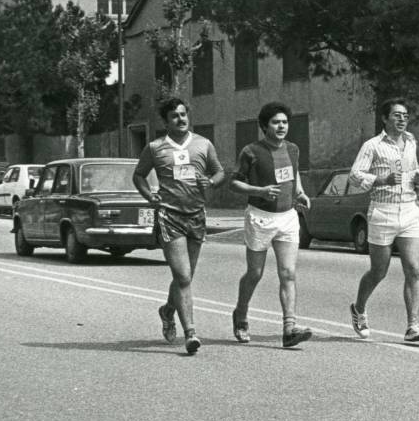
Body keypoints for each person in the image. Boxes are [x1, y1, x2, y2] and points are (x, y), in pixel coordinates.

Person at [133, 97, 226, 355]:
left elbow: (219, 172)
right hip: (169, 215)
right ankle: (191, 333)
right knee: (182, 276)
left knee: (186, 276)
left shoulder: (203, 144)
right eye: (174, 116)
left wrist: (211, 182)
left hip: (196, 215)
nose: (181, 119)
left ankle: (168, 310)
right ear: (166, 121)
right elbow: (138, 175)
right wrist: (149, 196)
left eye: (183, 114)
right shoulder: (155, 147)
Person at [229, 102, 313, 348]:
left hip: (287, 217)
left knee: (288, 273)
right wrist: (260, 191)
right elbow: (234, 183)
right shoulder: (251, 151)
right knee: (255, 273)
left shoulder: (293, 149)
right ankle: (241, 314)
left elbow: (294, 174)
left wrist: (300, 193)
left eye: (285, 122)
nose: (281, 126)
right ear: (264, 126)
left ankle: (289, 329)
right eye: (276, 122)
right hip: (260, 217)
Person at [348, 98, 419, 343]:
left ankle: (413, 325)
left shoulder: (411, 142)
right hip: (383, 211)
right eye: (396, 115)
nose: (402, 119)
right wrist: (381, 180)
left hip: (409, 210)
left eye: (405, 115)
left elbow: (413, 171)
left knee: (413, 269)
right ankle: (359, 308)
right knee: (379, 271)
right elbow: (354, 176)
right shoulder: (372, 146)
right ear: (385, 118)